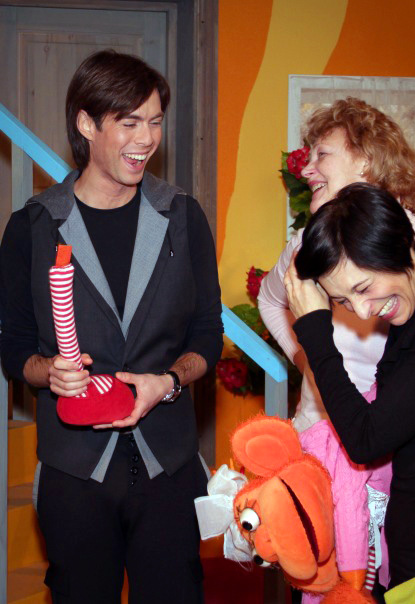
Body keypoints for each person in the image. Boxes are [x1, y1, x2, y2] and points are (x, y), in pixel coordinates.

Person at [0, 50, 223, 603]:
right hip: (74, 472)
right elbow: (16, 349)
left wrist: (167, 382)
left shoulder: (182, 216)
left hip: (169, 468)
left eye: (154, 122)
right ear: (86, 124)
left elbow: (206, 334)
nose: (146, 139)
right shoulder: (34, 226)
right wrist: (50, 371)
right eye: (129, 122)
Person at [258, 97, 415, 592]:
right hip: (318, 442)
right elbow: (271, 299)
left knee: (375, 583)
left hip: (393, 461)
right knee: (313, 577)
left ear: (368, 161)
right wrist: (306, 361)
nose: (306, 168)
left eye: (322, 154)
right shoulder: (309, 243)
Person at [284, 182, 415, 589]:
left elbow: (366, 440)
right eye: (343, 302)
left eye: (363, 288)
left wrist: (315, 331)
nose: (363, 312)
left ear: (399, 243)